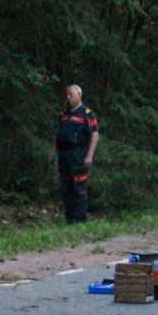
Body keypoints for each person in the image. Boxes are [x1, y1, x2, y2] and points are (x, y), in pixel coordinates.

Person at [56, 84, 99, 223]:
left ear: (79, 95)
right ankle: (70, 218)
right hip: (64, 154)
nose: (68, 97)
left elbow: (95, 135)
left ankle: (81, 219)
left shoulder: (86, 113)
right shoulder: (65, 115)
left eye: (71, 94)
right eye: (67, 95)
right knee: (66, 185)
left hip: (78, 154)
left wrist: (89, 155)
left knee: (78, 186)